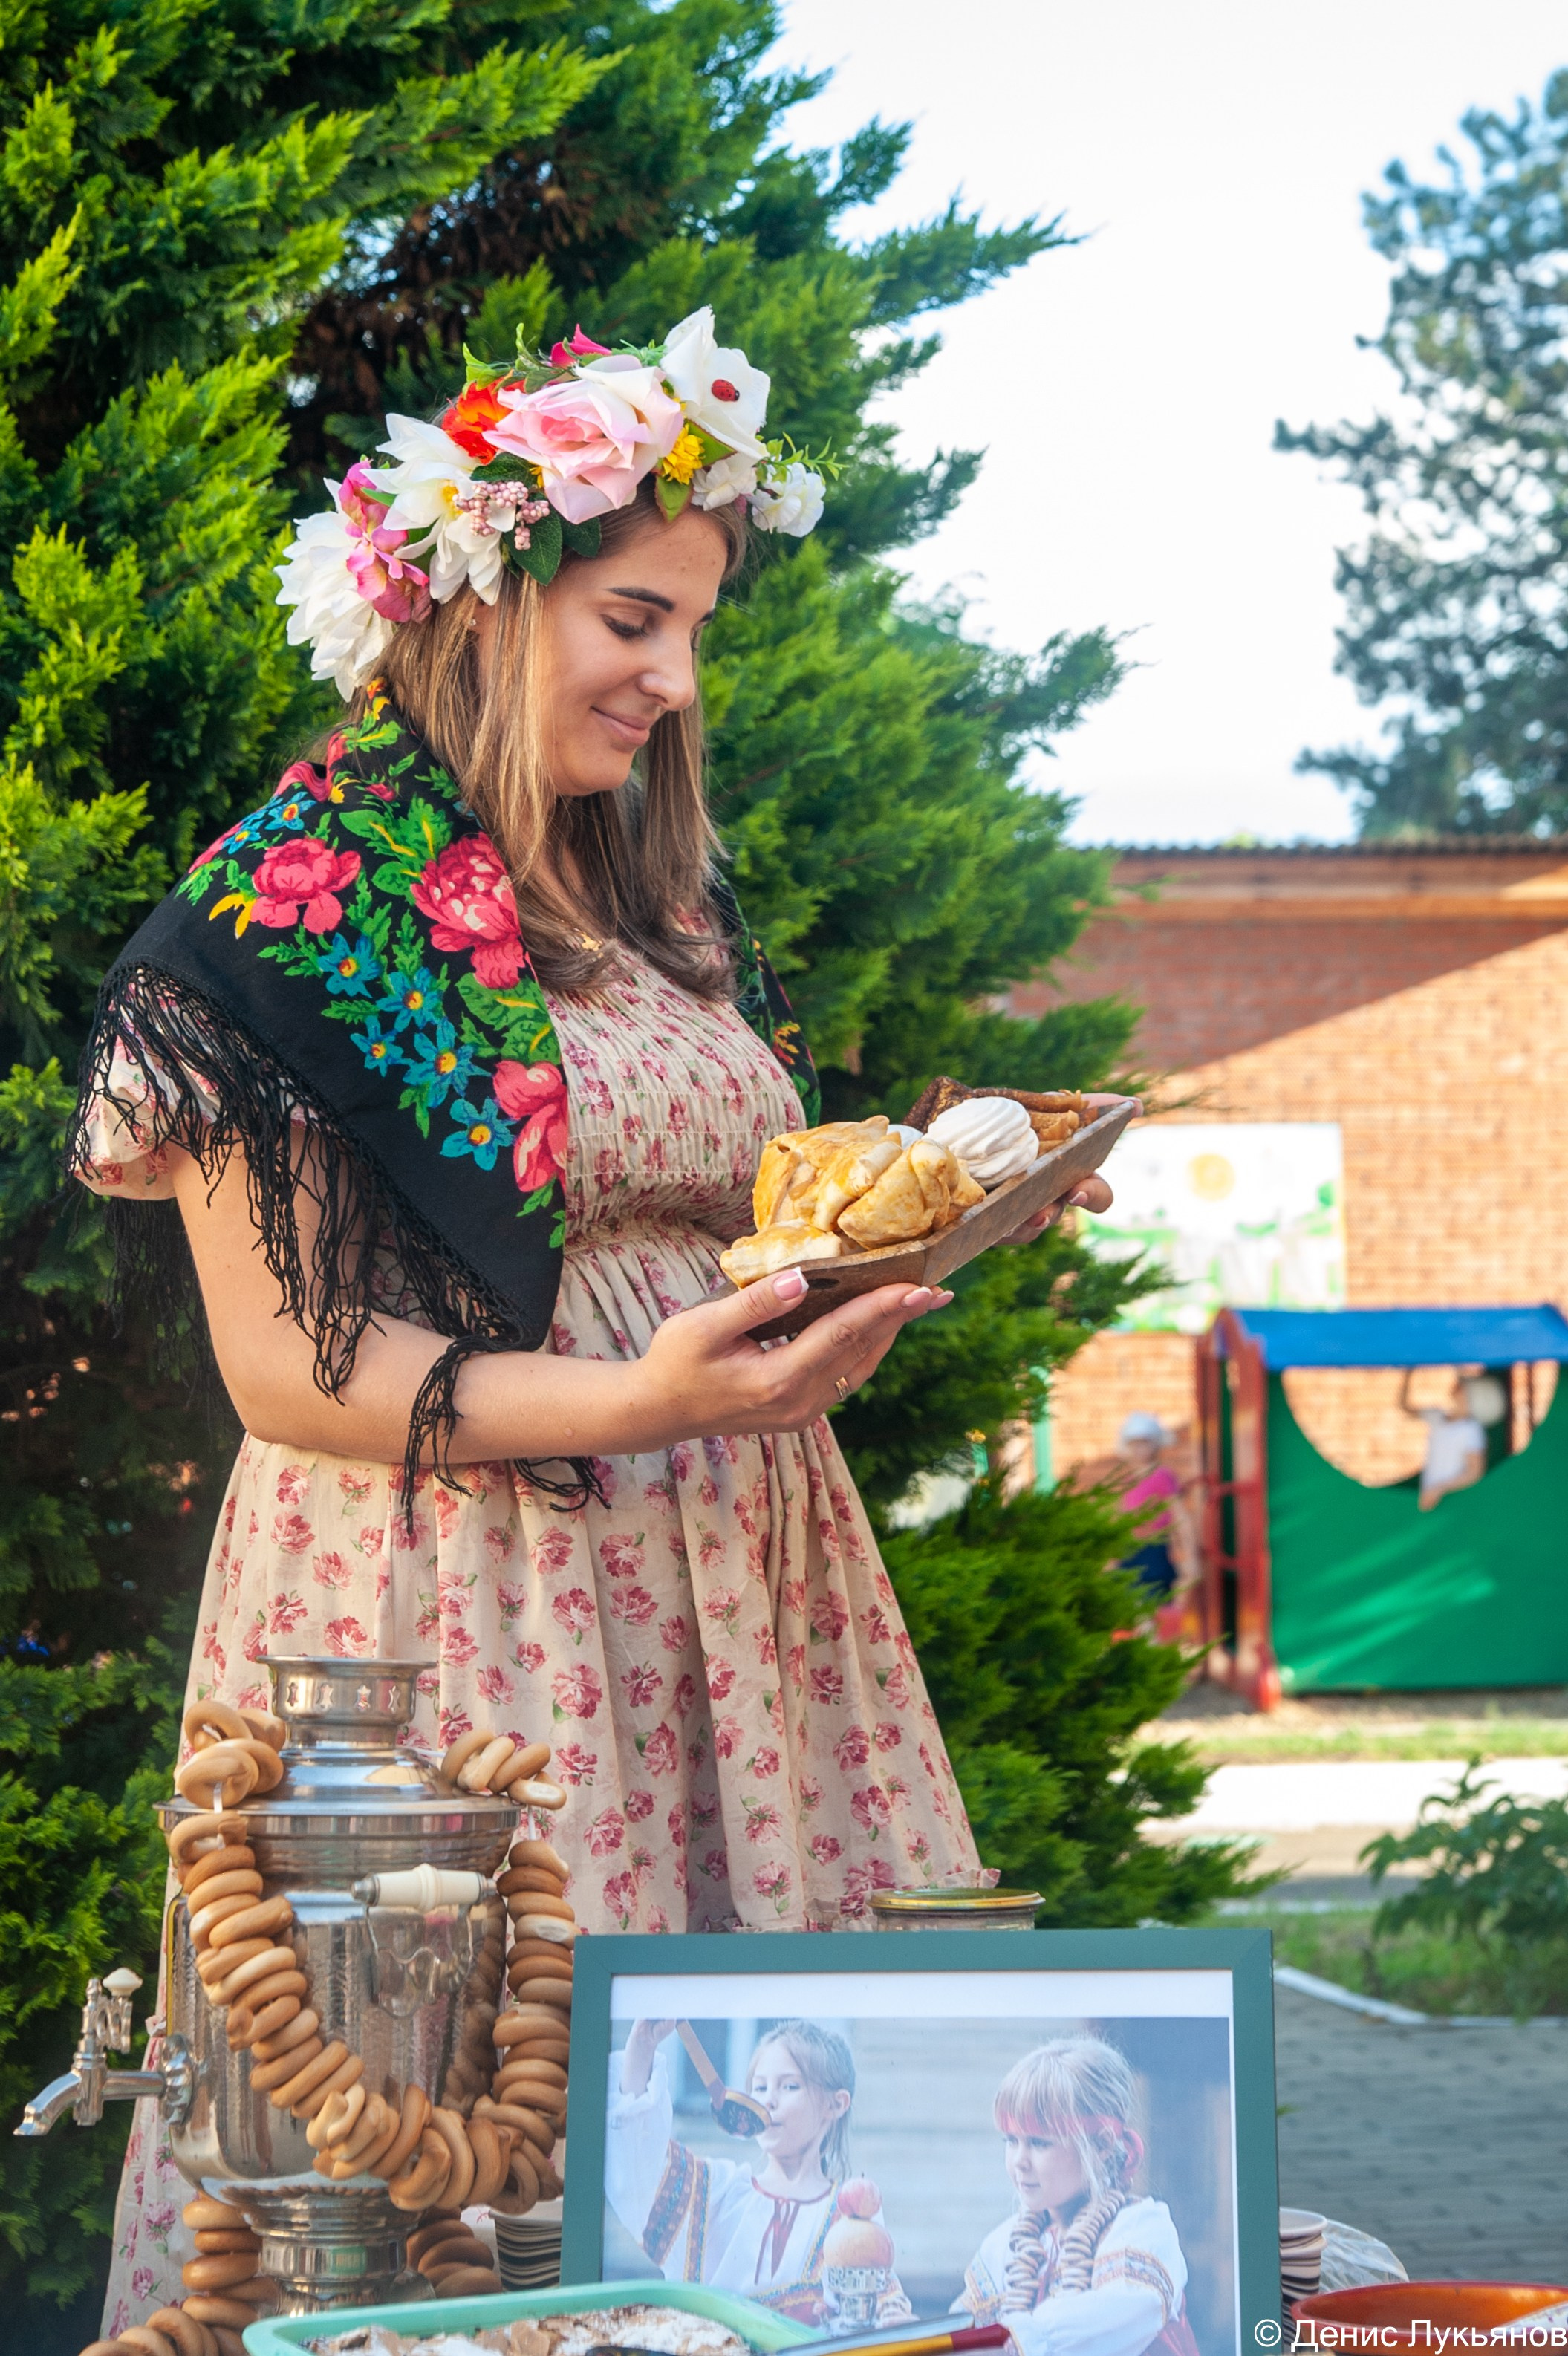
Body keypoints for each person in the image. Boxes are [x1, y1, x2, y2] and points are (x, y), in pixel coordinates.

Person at [71, 310, 1114, 2331]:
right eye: (634, 617)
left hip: (736, 1577)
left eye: (694, 628)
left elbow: (737, 1221)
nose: (676, 677)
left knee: (758, 2160)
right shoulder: (289, 913)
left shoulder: (650, 908)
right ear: (477, 602)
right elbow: (286, 1366)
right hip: (468, 1605)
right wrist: (644, 1398)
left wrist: (939, 1205)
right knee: (471, 2174)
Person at [606, 2017, 902, 2319]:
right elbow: (636, 2166)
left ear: (836, 2104)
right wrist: (642, 2044)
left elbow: (883, 2312)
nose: (768, 2100)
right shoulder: (716, 2192)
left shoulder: (849, 2215)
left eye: (789, 2086)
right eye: (760, 2087)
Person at [957, 2037, 1197, 2356]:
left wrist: (1012, 2340)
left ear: (1102, 2145)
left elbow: (1110, 2317)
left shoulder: (1141, 2230)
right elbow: (960, 2332)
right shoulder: (1003, 2245)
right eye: (1011, 2141)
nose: (1019, 2161)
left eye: (1039, 2143)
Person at [1113, 1415, 1191, 1603]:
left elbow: (1179, 1516)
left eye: (1144, 1443)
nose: (1139, 1449)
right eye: (1134, 1444)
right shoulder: (1128, 1480)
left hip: (1154, 1550)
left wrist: (1191, 1556)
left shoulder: (1162, 1476)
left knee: (1152, 1603)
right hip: (1130, 1551)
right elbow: (1121, 1518)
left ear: (1155, 1444)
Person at [1398, 1372, 1494, 1511]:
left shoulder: (1471, 1430)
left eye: (1460, 1389)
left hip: (1452, 1505)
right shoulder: (1437, 1416)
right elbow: (1405, 1407)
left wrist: (1440, 1489)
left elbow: (1474, 1471)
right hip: (1429, 1502)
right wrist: (1408, 1374)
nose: (1453, 1391)